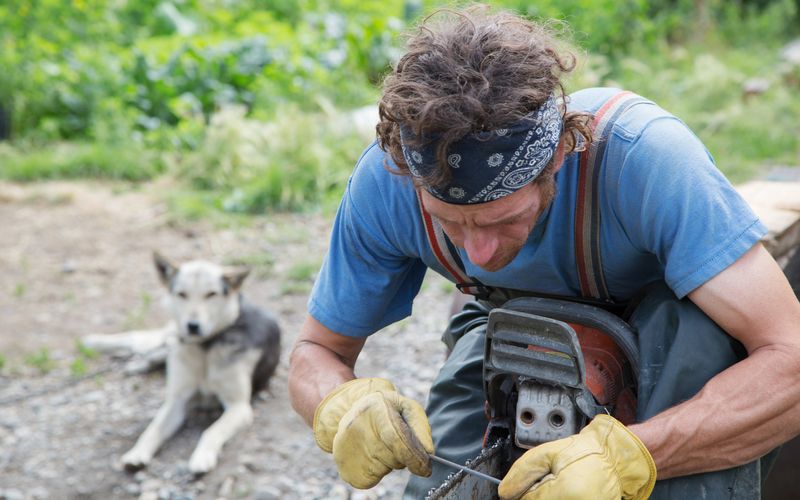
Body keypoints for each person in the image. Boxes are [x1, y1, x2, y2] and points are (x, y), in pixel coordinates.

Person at [288, 5, 800, 499]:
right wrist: (339, 405)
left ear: (558, 156)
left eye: (502, 220)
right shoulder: (388, 180)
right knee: (444, 460)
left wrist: (632, 456)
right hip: (510, 318)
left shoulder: (644, 159)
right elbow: (316, 353)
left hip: (671, 324)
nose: (480, 254)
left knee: (691, 348)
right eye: (450, 224)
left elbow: (791, 359)